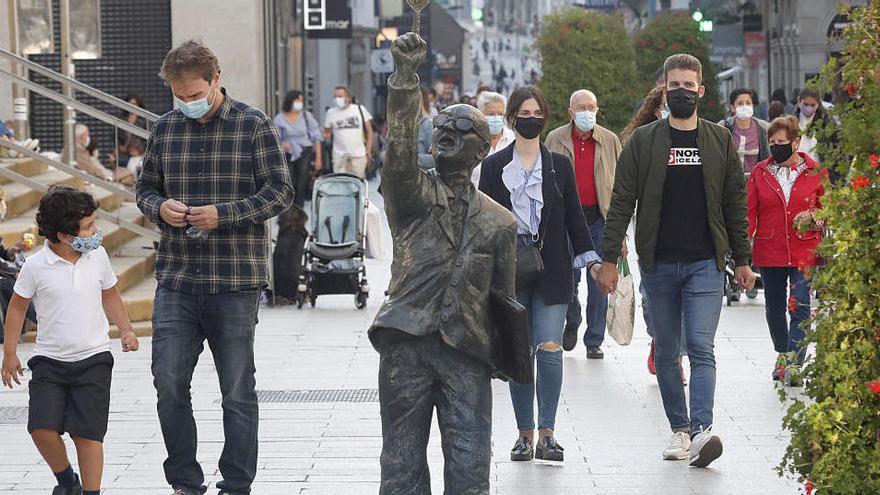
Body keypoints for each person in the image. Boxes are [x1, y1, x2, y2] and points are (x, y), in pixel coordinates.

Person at [136, 39, 293, 495]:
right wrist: (159, 206)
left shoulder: (252, 124)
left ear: (215, 79)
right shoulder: (164, 129)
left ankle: (237, 483)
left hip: (235, 280)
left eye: (194, 94)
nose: (186, 103)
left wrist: (224, 213)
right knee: (167, 383)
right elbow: (144, 189)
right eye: (178, 96)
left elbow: (281, 192)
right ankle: (185, 481)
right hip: (177, 278)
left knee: (237, 389)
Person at [371, 32, 525, 494]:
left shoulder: (501, 224)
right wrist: (404, 79)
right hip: (406, 344)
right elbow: (397, 154)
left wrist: (506, 358)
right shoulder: (411, 195)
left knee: (470, 465)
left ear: (483, 150)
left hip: (467, 353)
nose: (444, 137)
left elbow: (504, 299)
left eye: (458, 133)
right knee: (401, 464)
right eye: (440, 129)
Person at [598, 54, 756, 468]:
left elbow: (734, 204)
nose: (682, 92)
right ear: (663, 91)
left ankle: (702, 430)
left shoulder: (719, 141)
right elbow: (621, 203)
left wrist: (743, 259)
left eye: (690, 85)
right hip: (658, 263)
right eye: (675, 86)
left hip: (705, 263)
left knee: (701, 347)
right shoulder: (644, 141)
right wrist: (609, 257)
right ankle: (680, 430)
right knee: (667, 351)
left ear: (701, 91)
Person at [480, 85, 601, 463]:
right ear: (512, 118)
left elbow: (575, 223)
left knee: (549, 349)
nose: (530, 119)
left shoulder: (558, 166)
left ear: (544, 118)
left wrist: (594, 262)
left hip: (553, 271)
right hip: (510, 271)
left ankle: (548, 434)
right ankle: (523, 435)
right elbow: (482, 223)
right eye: (524, 113)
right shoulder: (493, 167)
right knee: (520, 353)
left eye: (537, 113)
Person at [1, 186, 139, 495]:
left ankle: (91, 492)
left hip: (94, 360)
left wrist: (127, 329)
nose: (96, 231)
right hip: (49, 362)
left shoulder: (97, 256)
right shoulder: (36, 266)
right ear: (64, 235)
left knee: (87, 435)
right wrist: (10, 353)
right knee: (41, 429)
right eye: (89, 226)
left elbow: (111, 295)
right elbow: (17, 307)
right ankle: (67, 482)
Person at [747, 115, 826, 387]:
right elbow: (749, 213)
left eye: (781, 142)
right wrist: (741, 250)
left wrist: (813, 215)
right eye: (772, 142)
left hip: (805, 248)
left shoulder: (815, 171)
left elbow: (829, 209)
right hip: (770, 249)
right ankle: (782, 351)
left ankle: (794, 360)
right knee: (774, 308)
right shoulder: (760, 173)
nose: (776, 146)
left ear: (796, 142)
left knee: (801, 303)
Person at [544, 89, 622, 358]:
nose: (587, 112)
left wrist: (620, 232)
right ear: (570, 112)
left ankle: (594, 340)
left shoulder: (610, 140)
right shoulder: (555, 139)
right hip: (565, 219)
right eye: (581, 108)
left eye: (591, 107)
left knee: (601, 279)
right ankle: (573, 318)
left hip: (600, 218)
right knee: (568, 278)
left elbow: (620, 184)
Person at [620, 87, 688, 380]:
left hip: (687, 232)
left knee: (685, 300)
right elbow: (624, 194)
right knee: (651, 298)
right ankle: (660, 339)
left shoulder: (696, 139)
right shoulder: (641, 142)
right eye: (664, 105)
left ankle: (674, 358)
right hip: (650, 233)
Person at [274, 90, 323, 207]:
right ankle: (289, 209)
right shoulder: (279, 118)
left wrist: (318, 158)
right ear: (291, 101)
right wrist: (282, 145)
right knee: (289, 181)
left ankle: (299, 209)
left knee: (302, 181)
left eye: (301, 101)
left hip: (305, 151)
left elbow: (317, 136)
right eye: (298, 101)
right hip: (287, 152)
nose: (300, 103)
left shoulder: (306, 116)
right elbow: (274, 139)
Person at [323, 85, 374, 178]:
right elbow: (326, 131)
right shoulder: (331, 113)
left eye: (340, 96)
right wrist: (326, 134)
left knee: (357, 183)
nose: (337, 99)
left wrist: (368, 150)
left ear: (348, 98)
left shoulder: (359, 109)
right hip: (339, 156)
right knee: (341, 183)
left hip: (358, 154)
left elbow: (369, 131)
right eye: (335, 97)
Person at [720, 88, 770, 174]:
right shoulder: (723, 127)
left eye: (748, 103)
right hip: (732, 183)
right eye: (740, 103)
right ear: (732, 107)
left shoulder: (764, 128)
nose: (745, 106)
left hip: (757, 181)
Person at [470, 91, 515, 186]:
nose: (496, 118)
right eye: (491, 114)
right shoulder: (472, 141)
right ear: (481, 114)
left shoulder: (513, 139)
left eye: (500, 114)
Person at [417, 86, 435, 169]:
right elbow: (383, 153)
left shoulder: (427, 125)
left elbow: (435, 159)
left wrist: (411, 159)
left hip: (419, 179)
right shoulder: (396, 124)